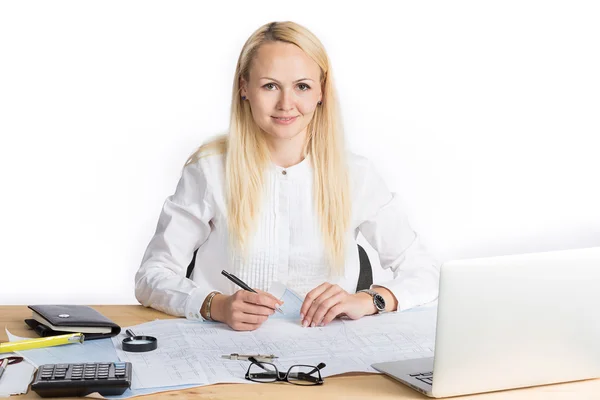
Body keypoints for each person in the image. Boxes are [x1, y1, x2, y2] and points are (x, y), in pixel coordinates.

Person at [135, 21, 439, 331]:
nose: (285, 104)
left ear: (321, 91)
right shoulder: (210, 170)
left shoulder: (356, 175)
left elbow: (425, 272)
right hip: (227, 352)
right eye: (270, 86)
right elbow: (151, 276)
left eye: (302, 86)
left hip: (326, 356)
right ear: (244, 88)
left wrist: (370, 300)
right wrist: (215, 304)